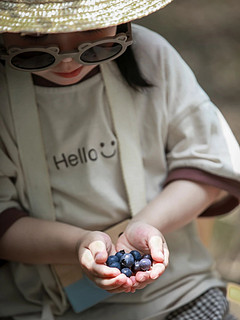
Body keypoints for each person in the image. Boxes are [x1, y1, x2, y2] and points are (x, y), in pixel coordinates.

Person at [0, 0, 239, 319]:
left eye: (90, 31)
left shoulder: (151, 55)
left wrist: (147, 225)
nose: (68, 59)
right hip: (40, 307)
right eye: (35, 38)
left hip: (175, 293)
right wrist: (79, 245)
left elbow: (206, 166)